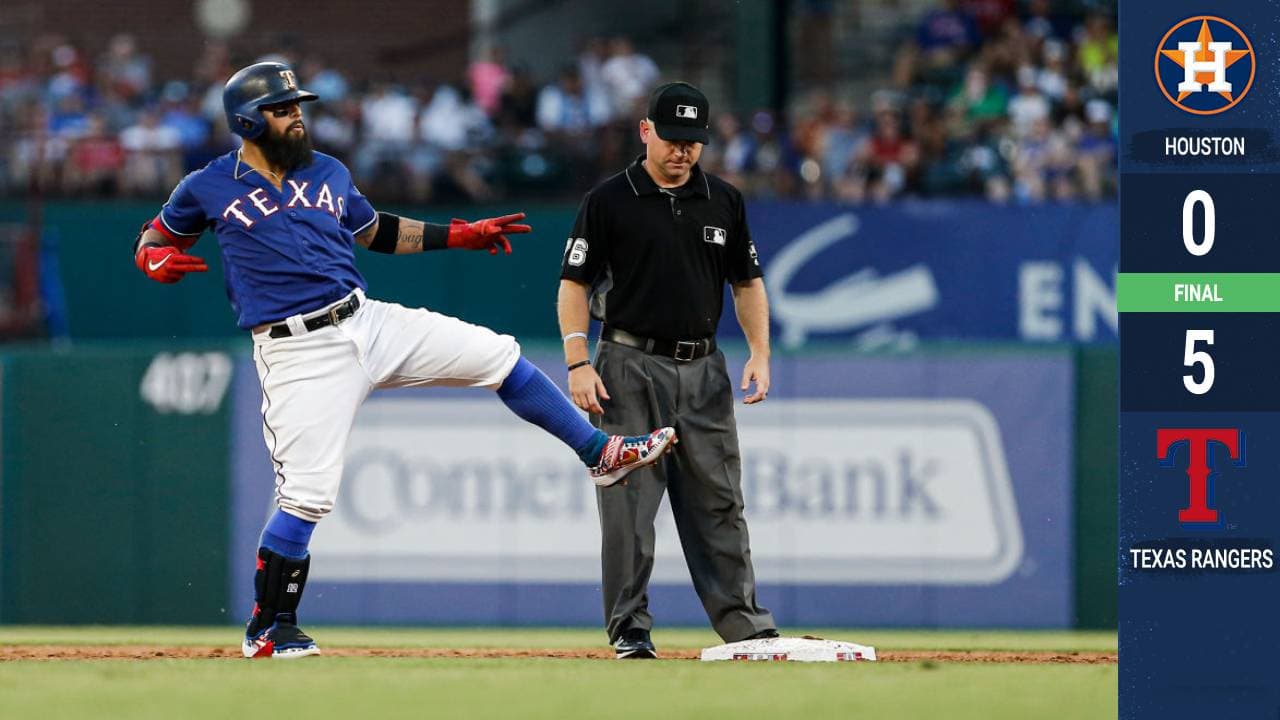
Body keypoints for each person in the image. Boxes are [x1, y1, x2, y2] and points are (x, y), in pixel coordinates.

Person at [132, 62, 676, 659]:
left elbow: (378, 233)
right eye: (282, 108)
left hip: (365, 319)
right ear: (246, 121)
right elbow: (155, 238)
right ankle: (268, 627)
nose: (297, 116)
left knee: (498, 356)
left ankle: (599, 453)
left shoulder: (327, 170)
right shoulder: (208, 185)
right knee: (307, 495)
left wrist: (457, 235)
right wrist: (153, 259)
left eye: (297, 105)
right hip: (297, 350)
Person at [557, 82, 778, 659]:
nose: (682, 151)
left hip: (704, 366)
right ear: (646, 131)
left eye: (693, 141)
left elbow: (747, 282)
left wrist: (760, 351)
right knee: (629, 502)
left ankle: (745, 627)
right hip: (627, 363)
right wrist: (577, 361)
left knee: (720, 500)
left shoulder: (724, 200)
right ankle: (630, 629)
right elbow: (573, 284)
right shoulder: (609, 200)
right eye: (673, 138)